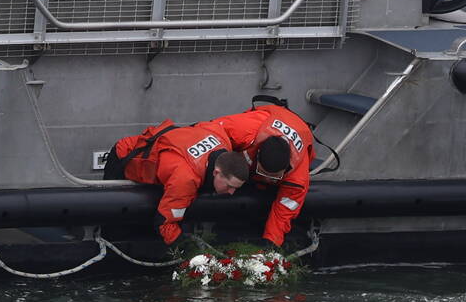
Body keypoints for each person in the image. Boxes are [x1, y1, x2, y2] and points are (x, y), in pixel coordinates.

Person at [108, 120, 252, 246]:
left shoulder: (222, 139)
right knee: (114, 227)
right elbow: (164, 223)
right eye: (229, 186)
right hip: (126, 156)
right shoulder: (185, 178)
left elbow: (203, 126)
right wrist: (187, 252)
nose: (231, 193)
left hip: (171, 161)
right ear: (216, 172)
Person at [205, 103, 315, 248]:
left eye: (273, 177)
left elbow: (284, 212)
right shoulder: (244, 130)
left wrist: (270, 244)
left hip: (298, 128)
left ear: (286, 168)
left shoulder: (298, 178)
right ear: (257, 155)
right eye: (263, 173)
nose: (268, 179)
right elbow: (210, 131)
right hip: (265, 119)